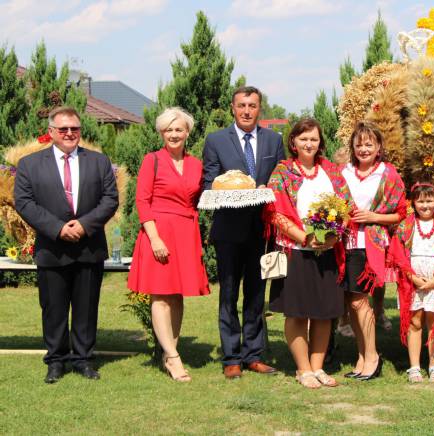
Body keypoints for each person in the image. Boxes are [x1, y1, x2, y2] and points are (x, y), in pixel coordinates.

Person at [14, 106, 118, 383]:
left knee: (86, 308)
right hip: (51, 247)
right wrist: (58, 229)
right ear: (51, 133)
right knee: (53, 308)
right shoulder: (29, 165)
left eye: (75, 128)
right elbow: (24, 202)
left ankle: (83, 359)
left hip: (89, 246)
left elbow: (110, 199)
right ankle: (56, 361)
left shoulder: (99, 161)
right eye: (64, 129)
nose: (70, 133)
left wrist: (84, 225)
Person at [203, 86, 285, 379]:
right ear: (232, 108)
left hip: (262, 230)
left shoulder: (274, 141)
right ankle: (231, 358)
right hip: (228, 230)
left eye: (252, 105)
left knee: (255, 295)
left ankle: (253, 354)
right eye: (241, 106)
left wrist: (270, 190)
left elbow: (281, 179)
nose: (247, 111)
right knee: (228, 294)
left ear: (259, 108)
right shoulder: (215, 141)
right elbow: (208, 182)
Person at [264, 118, 353, 388]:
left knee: (325, 313)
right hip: (296, 251)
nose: (308, 144)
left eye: (313, 139)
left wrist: (335, 234)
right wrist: (306, 236)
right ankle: (303, 369)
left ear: (320, 142)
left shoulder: (332, 171)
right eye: (303, 139)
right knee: (297, 313)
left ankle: (318, 367)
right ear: (293, 142)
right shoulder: (282, 172)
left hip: (328, 252)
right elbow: (275, 213)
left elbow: (347, 205)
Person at [127, 107, 210, 382]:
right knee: (161, 295)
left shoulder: (197, 164)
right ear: (161, 132)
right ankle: (173, 357)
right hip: (158, 232)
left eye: (179, 129)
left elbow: (204, 198)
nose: (174, 134)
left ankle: (169, 351)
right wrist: (154, 238)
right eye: (168, 130)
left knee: (177, 294)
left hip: (186, 232)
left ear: (187, 132)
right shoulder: (152, 161)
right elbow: (142, 201)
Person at [341, 121, 406, 381]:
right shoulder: (343, 172)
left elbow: (400, 214)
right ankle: (361, 355)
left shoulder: (388, 174)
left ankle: (373, 356)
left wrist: (373, 216)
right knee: (350, 302)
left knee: (359, 300)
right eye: (359, 144)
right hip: (344, 242)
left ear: (379, 147)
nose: (364, 149)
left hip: (370, 244)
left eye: (369, 144)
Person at [388, 183, 434, 383]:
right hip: (412, 282)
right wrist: (414, 279)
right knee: (415, 321)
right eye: (420, 201)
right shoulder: (405, 226)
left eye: (429, 200)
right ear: (413, 203)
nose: (425, 205)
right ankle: (414, 367)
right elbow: (399, 255)